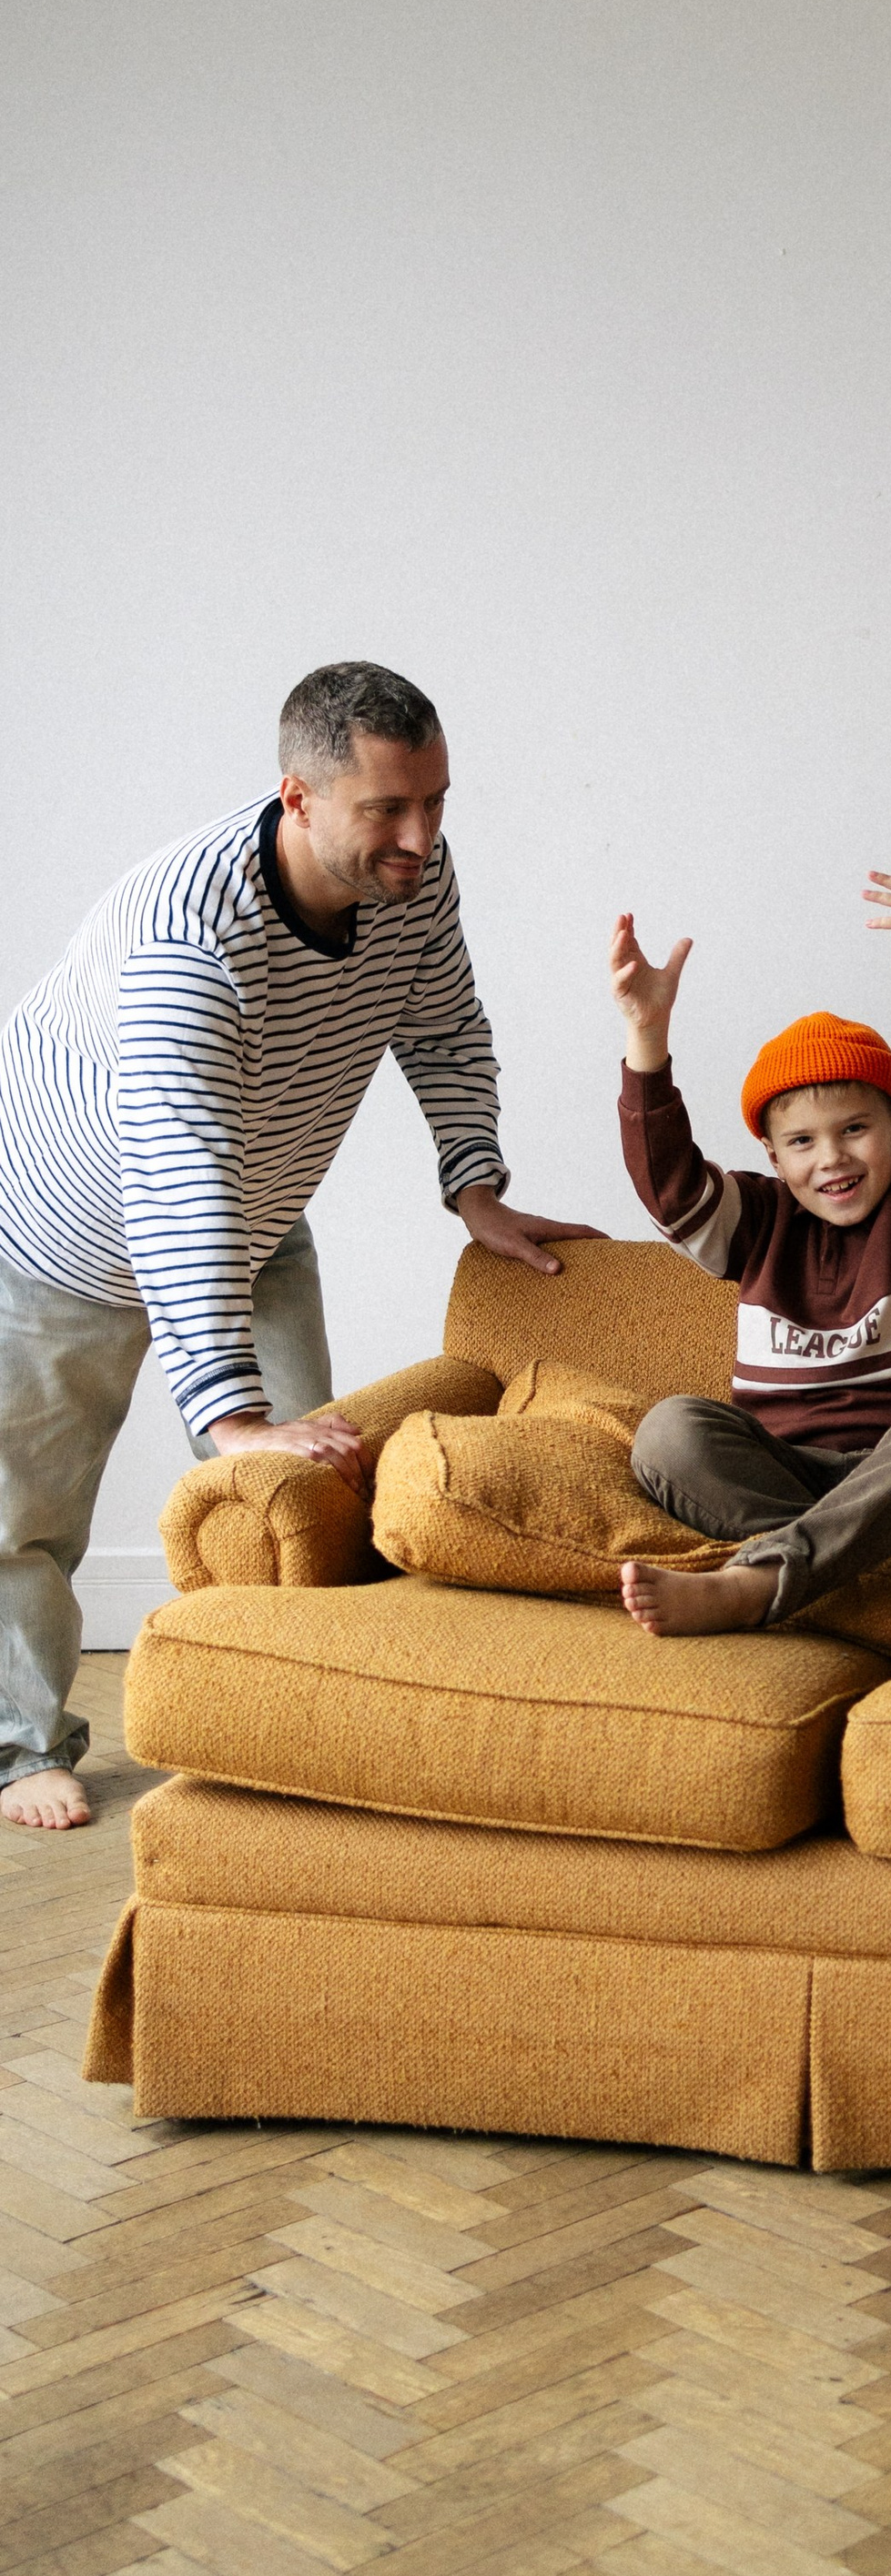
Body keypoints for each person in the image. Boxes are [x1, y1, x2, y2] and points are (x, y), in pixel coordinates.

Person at [0, 662, 592, 1830]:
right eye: (387, 808)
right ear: (297, 797)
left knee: (314, 1487)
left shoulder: (409, 874)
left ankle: (293, 1727)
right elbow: (175, 1192)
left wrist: (473, 1184)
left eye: (436, 800)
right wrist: (227, 1413)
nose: (420, 837)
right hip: (59, 1238)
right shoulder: (189, 943)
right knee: (25, 1518)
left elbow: (442, 1020)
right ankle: (20, 1751)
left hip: (255, 1210)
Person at [612, 854, 891, 1635]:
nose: (830, 1158)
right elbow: (670, 1191)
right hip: (788, 1473)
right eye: (801, 1142)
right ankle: (875, 1579)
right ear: (772, 1157)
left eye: (855, 1129)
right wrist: (646, 1042)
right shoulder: (755, 1221)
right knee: (669, 1431)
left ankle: (770, 1578)